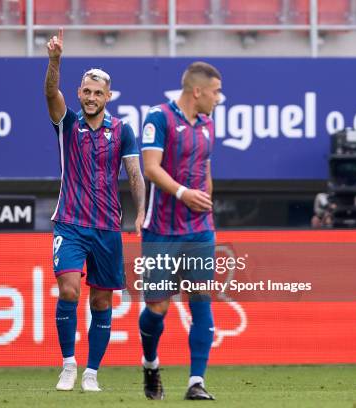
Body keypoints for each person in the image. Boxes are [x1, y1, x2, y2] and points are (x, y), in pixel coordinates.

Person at [44, 28, 146, 392]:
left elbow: (134, 173)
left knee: (102, 299)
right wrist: (55, 60)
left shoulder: (123, 131)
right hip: (69, 222)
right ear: (79, 93)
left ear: (108, 96)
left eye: (97, 93)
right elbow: (49, 92)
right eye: (85, 91)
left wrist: (140, 212)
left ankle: (91, 373)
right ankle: (68, 365)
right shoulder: (68, 124)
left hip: (106, 228)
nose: (90, 98)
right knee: (69, 290)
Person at [138, 61, 222, 400]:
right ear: (197, 91)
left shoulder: (208, 125)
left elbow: (205, 168)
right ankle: (150, 364)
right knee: (158, 308)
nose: (218, 98)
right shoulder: (159, 118)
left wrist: (206, 201)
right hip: (162, 230)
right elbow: (150, 168)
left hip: (200, 230)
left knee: (201, 299)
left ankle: (195, 382)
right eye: (215, 92)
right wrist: (184, 193)